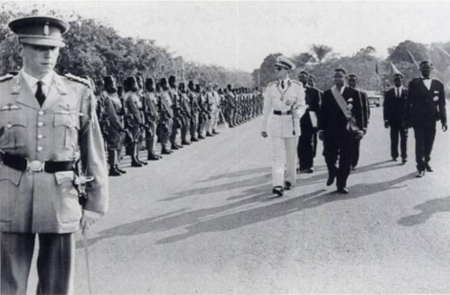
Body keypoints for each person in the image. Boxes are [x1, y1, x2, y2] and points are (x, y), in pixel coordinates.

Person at [0, 16, 108, 294]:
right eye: (38, 47)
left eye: (54, 48)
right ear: (21, 48)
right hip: (10, 196)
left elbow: (93, 151)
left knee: (57, 285)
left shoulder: (77, 92)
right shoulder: (1, 91)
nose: (48, 54)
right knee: (7, 284)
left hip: (61, 196)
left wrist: (96, 202)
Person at [261, 55, 307, 197]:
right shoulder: (271, 87)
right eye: (276, 69)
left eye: (279, 69)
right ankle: (278, 184)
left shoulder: (297, 86)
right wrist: (264, 128)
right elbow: (266, 109)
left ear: (287, 70)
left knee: (291, 156)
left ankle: (289, 180)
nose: (276, 71)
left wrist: (298, 113)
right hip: (276, 123)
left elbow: (302, 105)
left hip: (291, 123)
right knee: (277, 157)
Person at [318, 68, 364, 194]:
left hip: (347, 132)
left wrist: (360, 129)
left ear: (345, 78)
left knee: (346, 159)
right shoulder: (327, 93)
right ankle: (333, 172)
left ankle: (341, 184)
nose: (338, 79)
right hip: (330, 131)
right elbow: (322, 113)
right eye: (336, 77)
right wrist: (320, 129)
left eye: (340, 77)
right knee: (328, 156)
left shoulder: (354, 93)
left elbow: (359, 113)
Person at [405, 61, 447, 177]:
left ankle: (426, 161)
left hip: (431, 119)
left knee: (429, 142)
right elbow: (408, 102)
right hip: (417, 119)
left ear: (432, 69)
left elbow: (441, 104)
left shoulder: (438, 84)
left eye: (428, 68)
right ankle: (420, 167)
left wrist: (444, 120)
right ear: (420, 69)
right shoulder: (414, 83)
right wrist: (407, 119)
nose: (426, 70)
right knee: (420, 143)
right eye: (424, 68)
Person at [297, 70, 321, 174]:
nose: (301, 78)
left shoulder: (314, 91)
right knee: (299, 143)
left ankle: (310, 165)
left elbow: (317, 108)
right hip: (297, 120)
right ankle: (302, 165)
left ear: (307, 78)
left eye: (303, 77)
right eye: (300, 77)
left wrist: (318, 123)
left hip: (309, 120)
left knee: (309, 143)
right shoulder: (294, 91)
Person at [103, 75, 127, 175]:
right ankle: (112, 167)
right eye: (112, 83)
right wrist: (119, 126)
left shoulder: (115, 97)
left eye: (114, 83)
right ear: (107, 85)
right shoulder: (108, 99)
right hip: (113, 125)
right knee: (113, 146)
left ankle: (116, 165)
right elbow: (112, 115)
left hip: (120, 122)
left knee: (119, 145)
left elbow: (121, 111)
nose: (114, 85)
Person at [383, 73, 408, 164]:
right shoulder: (389, 93)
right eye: (396, 80)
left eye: (399, 79)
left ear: (402, 80)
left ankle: (404, 156)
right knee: (394, 139)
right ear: (394, 81)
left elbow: (410, 107)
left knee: (404, 139)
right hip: (393, 120)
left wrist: (410, 120)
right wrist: (386, 120)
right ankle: (394, 155)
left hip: (404, 121)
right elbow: (386, 107)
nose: (397, 81)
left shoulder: (407, 92)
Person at [347, 74, 370, 170]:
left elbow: (366, 110)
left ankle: (353, 163)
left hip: (357, 123)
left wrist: (364, 125)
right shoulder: (343, 92)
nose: (352, 82)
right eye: (350, 81)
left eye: (353, 81)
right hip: (345, 123)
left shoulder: (362, 94)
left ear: (357, 82)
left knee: (356, 144)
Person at [143, 78, 162, 160]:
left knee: (154, 136)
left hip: (154, 118)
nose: (153, 86)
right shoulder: (146, 96)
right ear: (148, 86)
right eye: (151, 84)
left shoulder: (152, 95)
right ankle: (150, 153)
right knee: (150, 136)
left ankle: (153, 151)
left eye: (153, 84)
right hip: (150, 118)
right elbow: (148, 108)